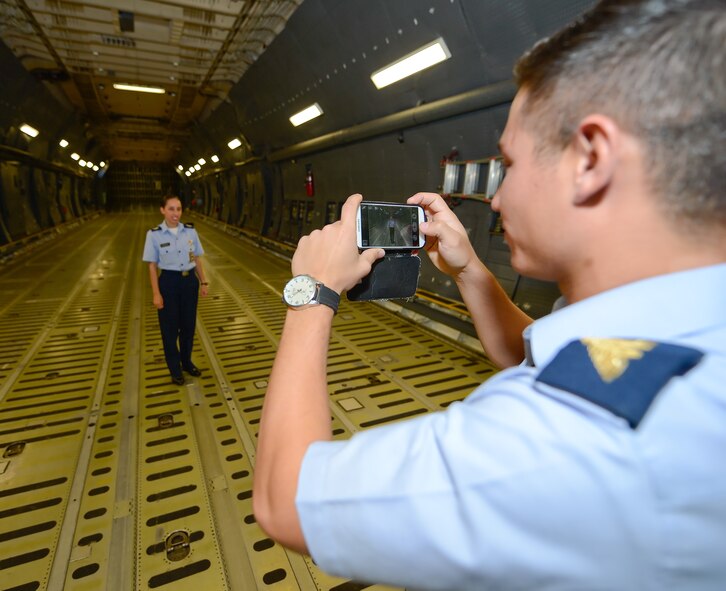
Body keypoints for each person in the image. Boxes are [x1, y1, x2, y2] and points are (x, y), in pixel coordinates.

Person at [253, 0, 726, 589]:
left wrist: (312, 293)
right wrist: (471, 270)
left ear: (591, 161)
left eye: (509, 163)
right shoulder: (691, 321)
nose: (496, 198)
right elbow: (537, 355)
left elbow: (287, 501)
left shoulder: (566, 442)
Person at [142, 195, 209, 385]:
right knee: (170, 329)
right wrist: (156, 293)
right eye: (171, 209)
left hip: (189, 283)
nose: (175, 213)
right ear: (162, 210)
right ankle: (175, 369)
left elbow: (196, 258)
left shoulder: (190, 232)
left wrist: (203, 282)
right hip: (169, 283)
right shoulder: (154, 234)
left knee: (188, 327)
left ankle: (186, 362)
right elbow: (152, 266)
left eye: (178, 209)